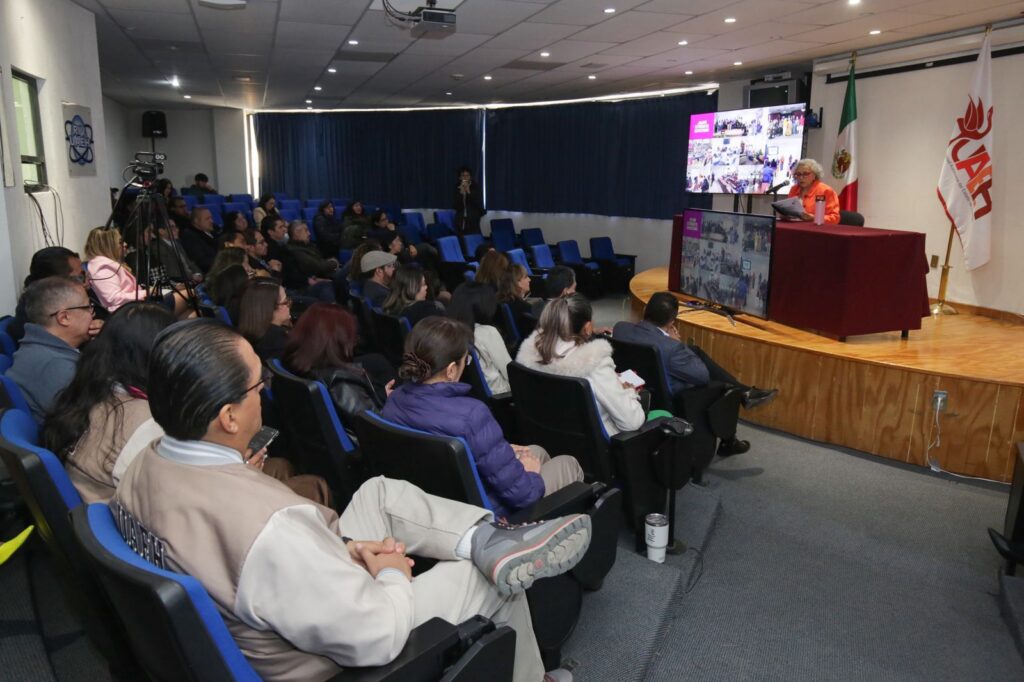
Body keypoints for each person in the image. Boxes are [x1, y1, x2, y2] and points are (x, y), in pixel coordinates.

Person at [112, 319, 589, 681]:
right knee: (482, 578)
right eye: (258, 387)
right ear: (229, 417)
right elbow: (375, 635)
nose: (264, 394)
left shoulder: (140, 467)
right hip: (334, 646)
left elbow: (266, 557)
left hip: (285, 593)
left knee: (379, 491)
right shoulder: (269, 528)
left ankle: (488, 538)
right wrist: (390, 573)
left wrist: (344, 547)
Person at [44, 303, 329, 506]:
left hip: (117, 514)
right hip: (162, 524)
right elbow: (191, 504)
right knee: (314, 486)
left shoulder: (96, 391)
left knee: (280, 465)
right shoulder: (147, 425)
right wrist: (244, 471)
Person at [383, 317, 583, 518]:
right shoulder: (472, 415)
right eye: (466, 360)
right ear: (451, 370)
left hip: (438, 506)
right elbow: (523, 496)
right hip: (490, 516)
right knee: (568, 463)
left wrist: (500, 449)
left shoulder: (394, 401)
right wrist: (531, 473)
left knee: (536, 451)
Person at [613, 292, 778, 455]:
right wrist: (677, 343)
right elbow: (702, 376)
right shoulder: (671, 347)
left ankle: (745, 393)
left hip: (641, 388)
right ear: (671, 322)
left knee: (695, 351)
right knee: (725, 388)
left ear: (645, 311)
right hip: (673, 396)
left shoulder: (620, 328)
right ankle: (730, 439)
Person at [517, 294, 646, 436]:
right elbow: (632, 422)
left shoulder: (528, 356)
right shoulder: (594, 365)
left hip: (545, 436)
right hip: (599, 443)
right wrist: (630, 392)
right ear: (588, 328)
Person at [282, 303, 392, 431]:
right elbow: (377, 429)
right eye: (352, 338)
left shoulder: (295, 366)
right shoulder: (341, 382)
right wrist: (391, 402)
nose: (354, 343)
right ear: (338, 341)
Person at [7, 277, 102, 421]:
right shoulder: (56, 366)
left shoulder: (39, 347)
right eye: (88, 307)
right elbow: (95, 420)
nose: (92, 314)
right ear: (64, 318)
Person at [9, 247, 85, 343]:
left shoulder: (59, 301)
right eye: (80, 278)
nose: (86, 282)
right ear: (53, 281)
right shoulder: (33, 314)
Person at [448, 282, 512, 394]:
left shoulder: (449, 331)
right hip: (501, 394)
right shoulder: (487, 332)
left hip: (470, 393)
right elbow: (510, 372)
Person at [84, 227, 148, 312]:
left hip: (131, 309)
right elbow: (113, 298)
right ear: (107, 245)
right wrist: (145, 293)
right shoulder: (103, 268)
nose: (125, 244)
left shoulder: (106, 265)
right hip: (125, 313)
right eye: (120, 242)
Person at [238, 278, 292, 361]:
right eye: (286, 301)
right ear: (270, 308)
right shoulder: (279, 342)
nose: (289, 306)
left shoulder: (246, 335)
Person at [785, 158, 840, 224]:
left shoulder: (825, 191)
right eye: (798, 174)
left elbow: (835, 218)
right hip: (794, 227)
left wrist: (814, 218)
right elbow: (789, 211)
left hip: (817, 229)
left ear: (814, 175)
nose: (801, 177)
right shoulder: (794, 189)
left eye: (805, 174)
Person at [181, 207, 219, 273]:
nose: (211, 221)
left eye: (211, 218)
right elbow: (201, 261)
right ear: (196, 221)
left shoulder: (214, 230)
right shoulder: (190, 236)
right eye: (207, 219)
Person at [453, 166, 485, 235]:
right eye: (463, 176)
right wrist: (461, 193)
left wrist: (468, 191)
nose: (465, 178)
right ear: (460, 177)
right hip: (460, 219)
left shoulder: (475, 187)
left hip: (473, 218)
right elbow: (455, 206)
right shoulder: (457, 188)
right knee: (461, 238)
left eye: (467, 176)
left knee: (473, 237)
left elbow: (477, 202)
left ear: (470, 177)